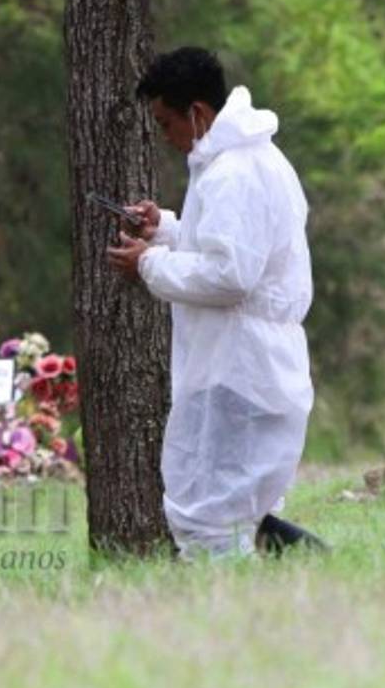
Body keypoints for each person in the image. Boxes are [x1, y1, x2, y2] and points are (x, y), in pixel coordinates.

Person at [106, 46, 326, 558]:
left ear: (198, 113)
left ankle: (229, 615)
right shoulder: (242, 160)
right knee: (229, 511)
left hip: (240, 362)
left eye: (165, 123)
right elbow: (226, 246)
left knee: (210, 515)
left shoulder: (235, 173)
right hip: (244, 356)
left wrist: (148, 263)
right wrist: (163, 229)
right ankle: (295, 582)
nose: (165, 136)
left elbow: (230, 275)